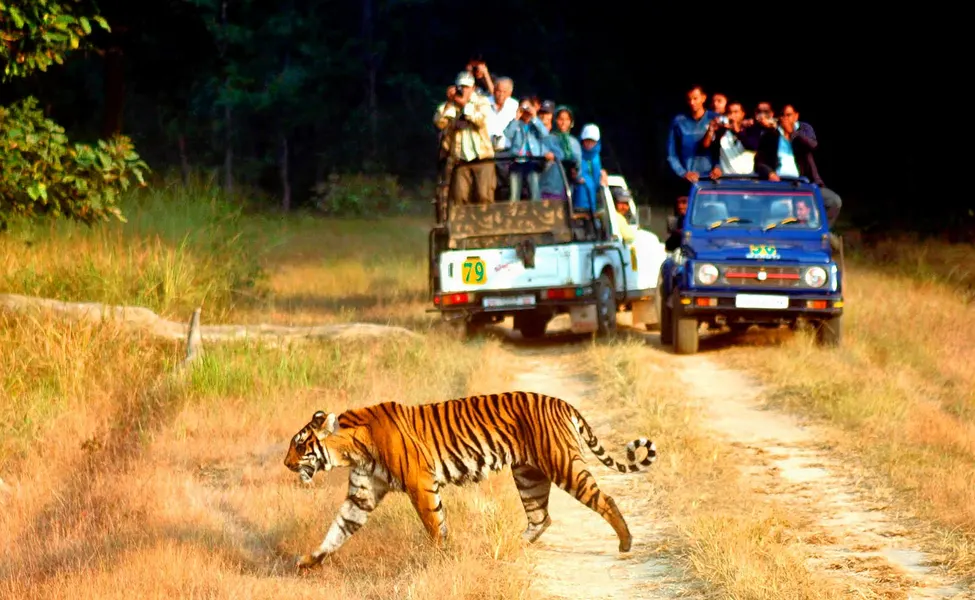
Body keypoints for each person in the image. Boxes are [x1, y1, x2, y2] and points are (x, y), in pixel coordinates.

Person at [433, 71, 496, 204]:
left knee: (484, 196)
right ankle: (464, 225)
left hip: (482, 157)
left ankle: (486, 223)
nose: (464, 90)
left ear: (473, 88)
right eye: (461, 86)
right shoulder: (450, 104)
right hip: (460, 158)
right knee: (460, 197)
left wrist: (464, 106)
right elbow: (440, 123)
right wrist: (450, 103)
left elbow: (481, 121)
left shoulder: (482, 102)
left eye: (467, 87)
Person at [779, 104, 842, 227]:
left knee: (834, 201)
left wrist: (792, 133)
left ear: (796, 116)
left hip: (807, 183)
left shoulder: (803, 128)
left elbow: (812, 145)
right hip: (782, 185)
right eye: (782, 115)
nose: (785, 118)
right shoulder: (774, 133)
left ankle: (822, 232)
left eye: (789, 115)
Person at [666, 85, 718, 187]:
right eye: (689, 99)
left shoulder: (715, 119)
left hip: (712, 179)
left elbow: (723, 149)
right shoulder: (679, 122)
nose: (692, 103)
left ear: (703, 98)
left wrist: (718, 167)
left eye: (695, 98)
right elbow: (672, 153)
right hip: (688, 180)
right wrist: (683, 173)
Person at [503, 97, 549, 201]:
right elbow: (508, 134)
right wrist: (516, 118)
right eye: (523, 107)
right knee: (514, 194)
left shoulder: (535, 124)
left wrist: (534, 117)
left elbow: (545, 134)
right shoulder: (516, 123)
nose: (526, 110)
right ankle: (513, 214)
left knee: (534, 192)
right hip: (517, 161)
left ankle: (536, 212)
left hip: (532, 161)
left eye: (528, 107)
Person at [704, 100, 755, 177]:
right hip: (727, 178)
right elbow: (706, 146)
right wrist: (711, 129)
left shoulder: (750, 130)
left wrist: (737, 131)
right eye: (729, 112)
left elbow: (752, 146)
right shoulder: (721, 131)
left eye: (736, 112)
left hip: (748, 177)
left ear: (742, 114)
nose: (732, 115)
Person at [574, 124, 602, 214]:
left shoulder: (596, 156)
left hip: (593, 197)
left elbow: (597, 175)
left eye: (592, 141)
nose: (589, 144)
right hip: (578, 195)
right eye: (587, 140)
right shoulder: (576, 153)